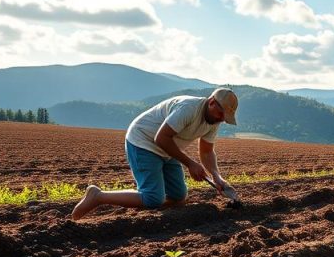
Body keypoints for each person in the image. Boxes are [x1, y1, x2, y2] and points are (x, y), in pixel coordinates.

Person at [71, 88, 239, 220]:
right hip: (143, 142)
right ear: (211, 103)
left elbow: (207, 151)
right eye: (221, 114)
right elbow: (161, 138)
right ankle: (98, 196)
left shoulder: (213, 121)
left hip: (168, 149)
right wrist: (190, 163)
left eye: (225, 117)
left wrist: (216, 176)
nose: (222, 119)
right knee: (153, 198)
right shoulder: (188, 108)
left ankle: (152, 210)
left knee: (179, 196)